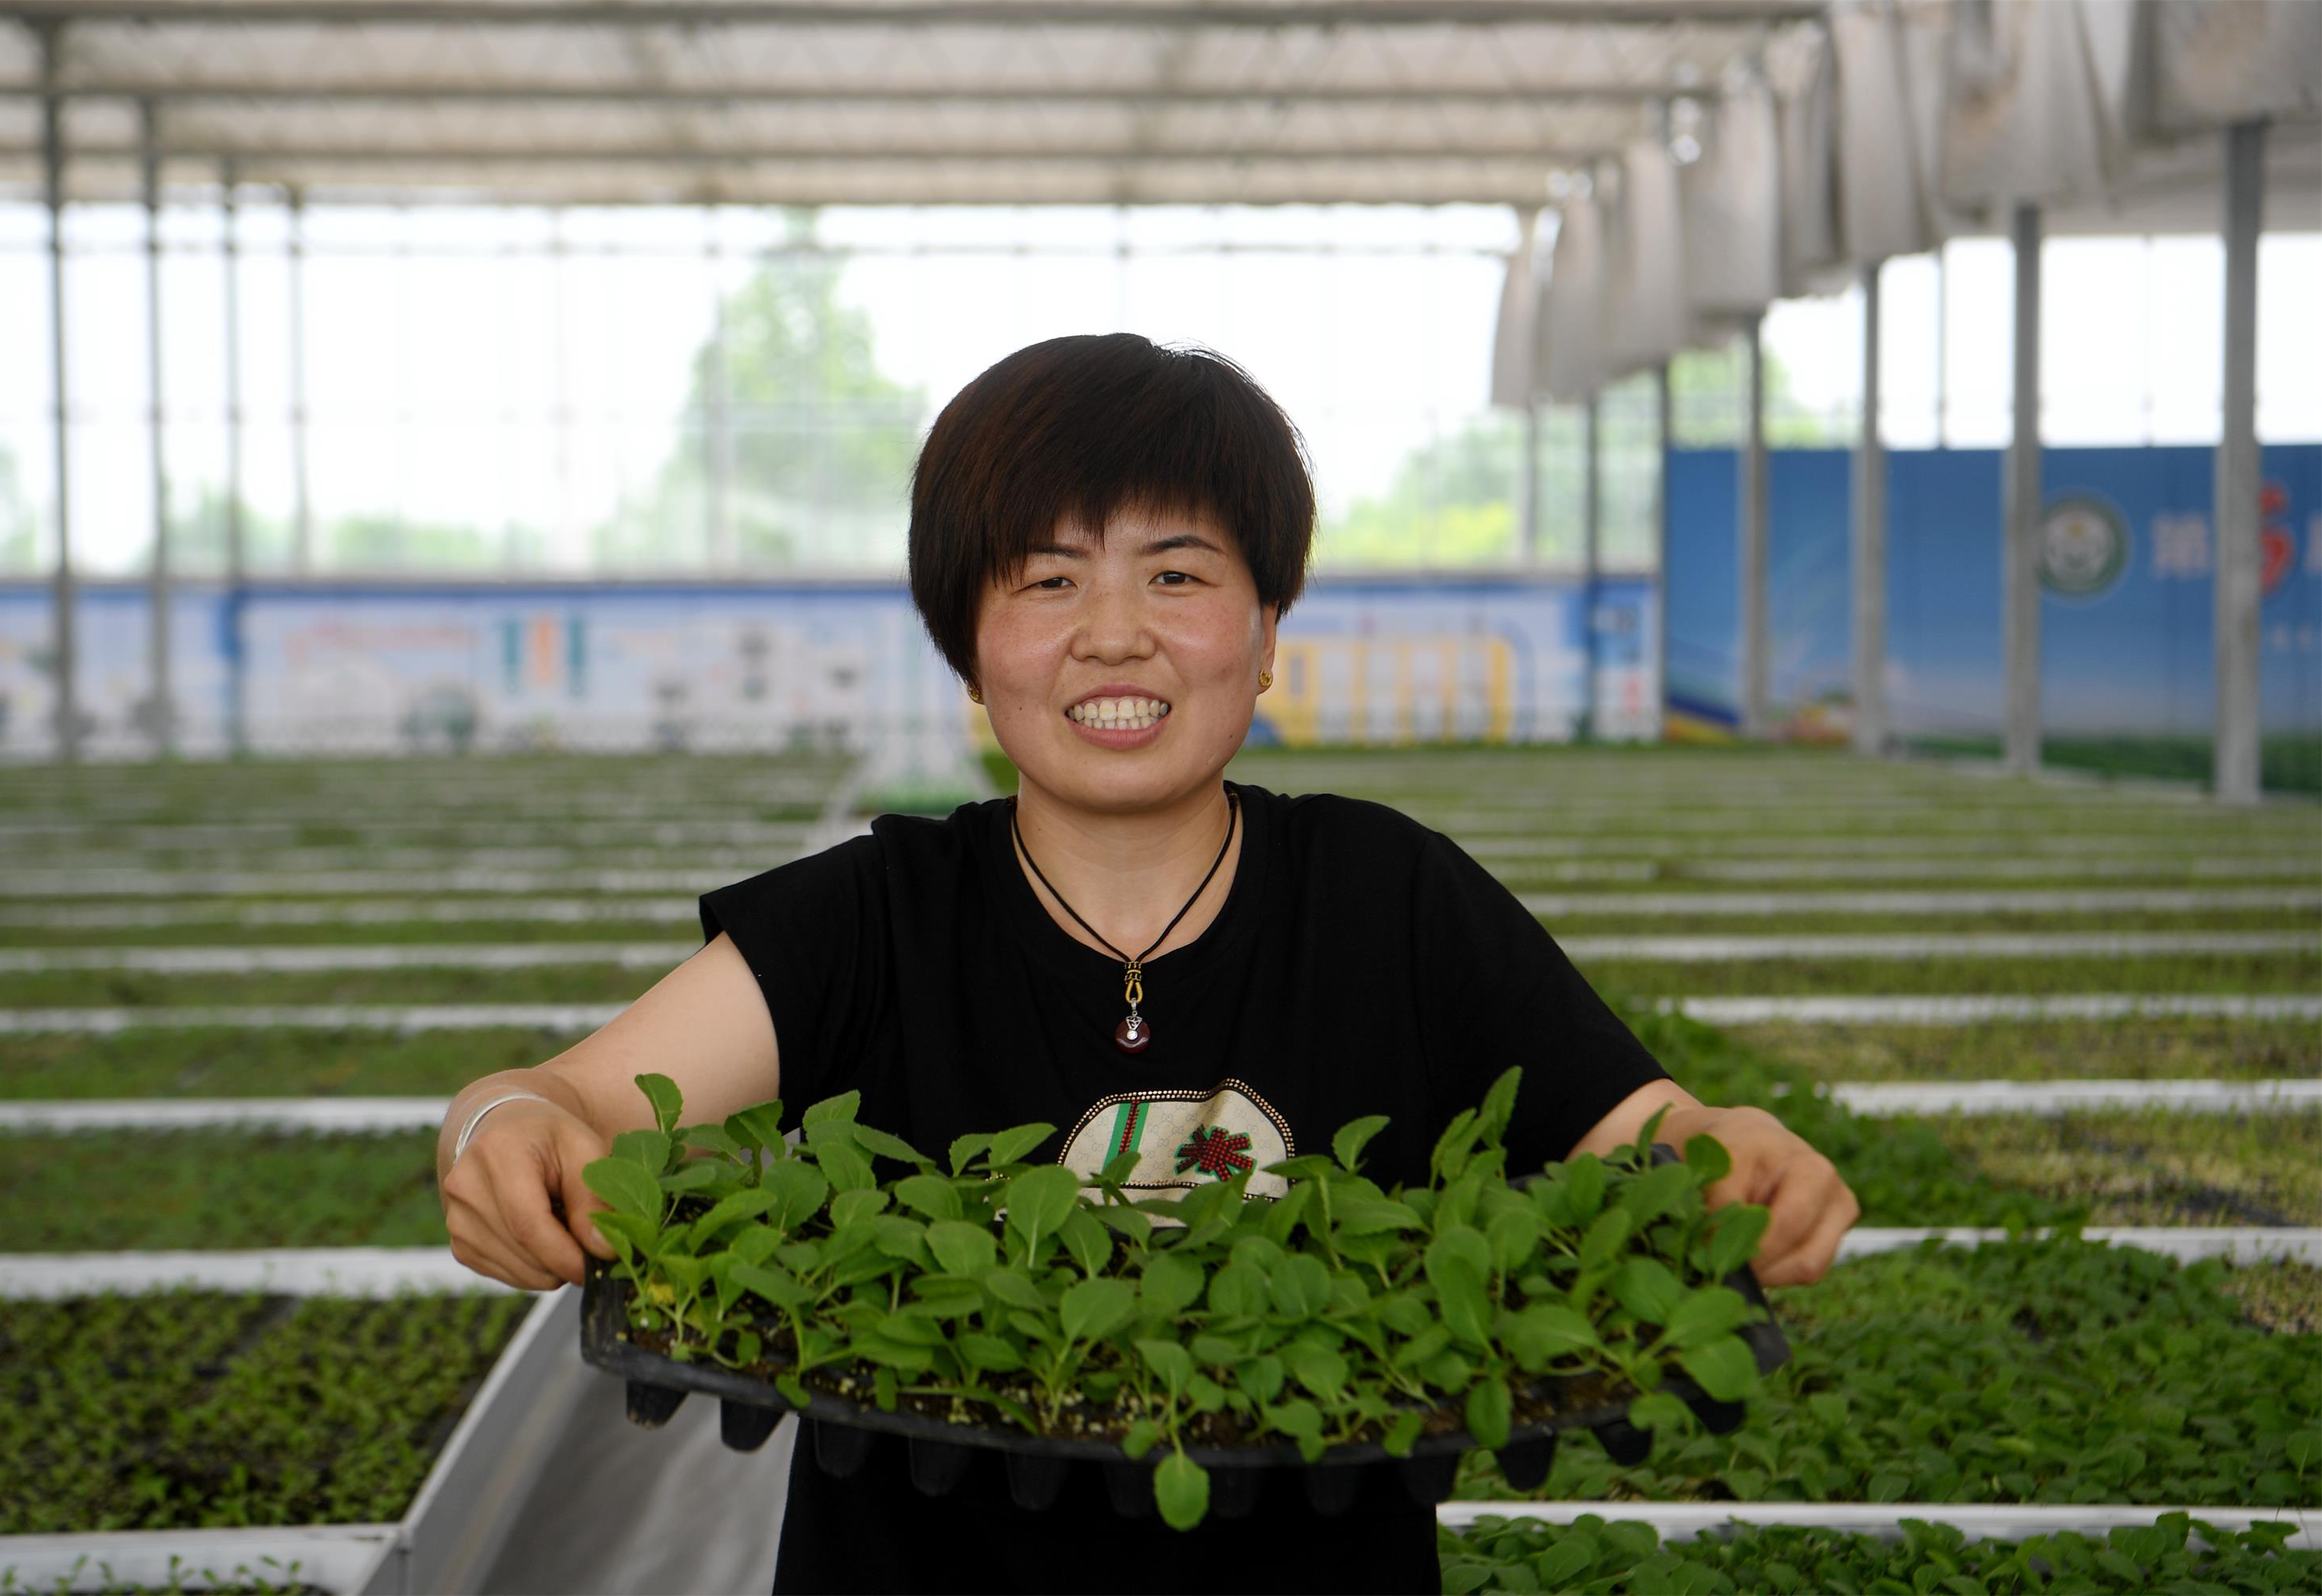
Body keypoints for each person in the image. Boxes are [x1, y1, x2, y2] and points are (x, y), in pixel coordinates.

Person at [437, 334, 1861, 1594]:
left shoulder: (1389, 898)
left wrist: (1735, 1154)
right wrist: (504, 1132)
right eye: (1047, 579)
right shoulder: (875, 917)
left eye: (1176, 575)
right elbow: (567, 1098)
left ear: (1267, 633)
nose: (1114, 634)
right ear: (970, 650)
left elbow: (1651, 1136)